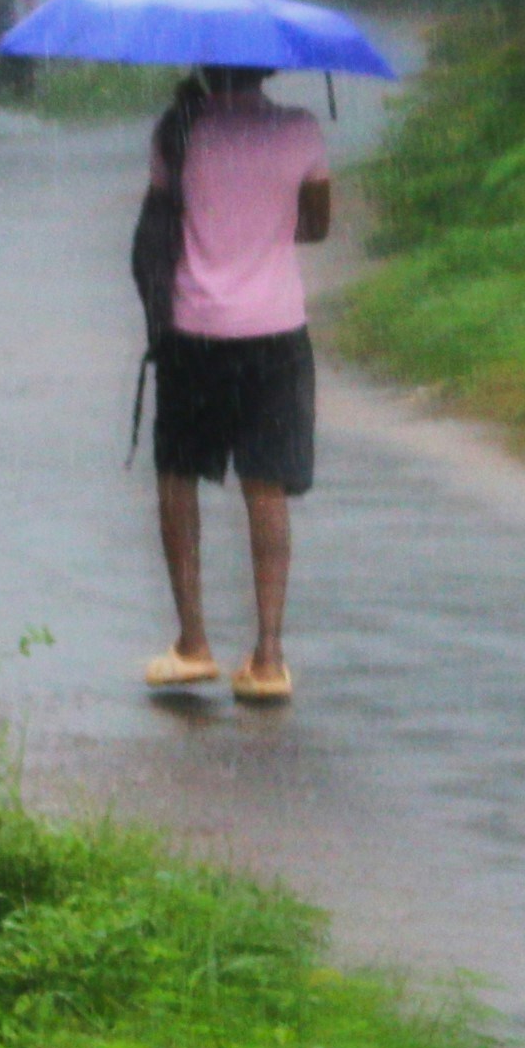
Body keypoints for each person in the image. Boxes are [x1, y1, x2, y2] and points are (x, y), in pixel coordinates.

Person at [142, 65, 330, 703]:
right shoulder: (300, 130)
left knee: (178, 473)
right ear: (267, 67)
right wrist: (271, 223)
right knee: (265, 483)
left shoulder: (180, 130)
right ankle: (269, 657)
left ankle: (194, 643)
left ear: (203, 65)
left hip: (194, 330)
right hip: (276, 330)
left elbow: (165, 218)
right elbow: (316, 227)